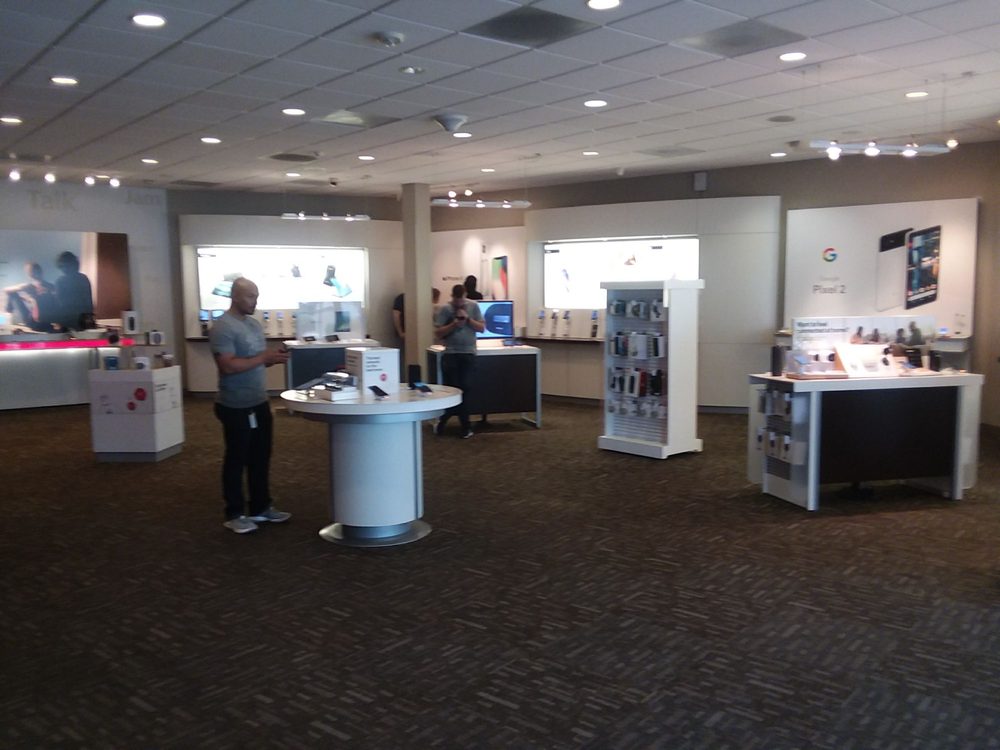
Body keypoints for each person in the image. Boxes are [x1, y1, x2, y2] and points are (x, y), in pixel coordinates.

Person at [209, 277, 291, 534]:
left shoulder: (254, 325)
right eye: (250, 296)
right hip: (235, 405)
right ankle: (234, 513)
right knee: (237, 458)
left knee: (260, 456)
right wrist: (263, 357)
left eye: (256, 296)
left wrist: (272, 359)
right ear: (235, 296)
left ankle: (260, 507)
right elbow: (228, 366)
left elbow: (254, 361)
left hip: (259, 401)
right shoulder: (222, 327)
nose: (255, 301)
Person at [433, 284, 484, 438]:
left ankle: (454, 423)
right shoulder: (445, 309)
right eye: (456, 300)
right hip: (451, 354)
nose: (459, 303)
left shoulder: (473, 306)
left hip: (468, 354)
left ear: (465, 296)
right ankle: (463, 426)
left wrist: (468, 320)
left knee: (465, 389)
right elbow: (438, 333)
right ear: (452, 297)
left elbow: (481, 328)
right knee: (454, 391)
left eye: (461, 300)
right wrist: (454, 324)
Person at [4, 262, 58, 332]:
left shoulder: (27, 286)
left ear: (29, 274)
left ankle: (7, 315)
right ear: (41, 272)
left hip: (34, 324)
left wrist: (21, 288)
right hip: (47, 324)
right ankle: (8, 314)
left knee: (12, 293)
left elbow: (6, 290)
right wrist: (27, 299)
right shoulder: (51, 286)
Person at [53, 251, 94, 331]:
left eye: (64, 266)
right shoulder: (83, 278)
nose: (64, 269)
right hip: (83, 320)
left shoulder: (60, 281)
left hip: (68, 320)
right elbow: (89, 302)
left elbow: (60, 304)